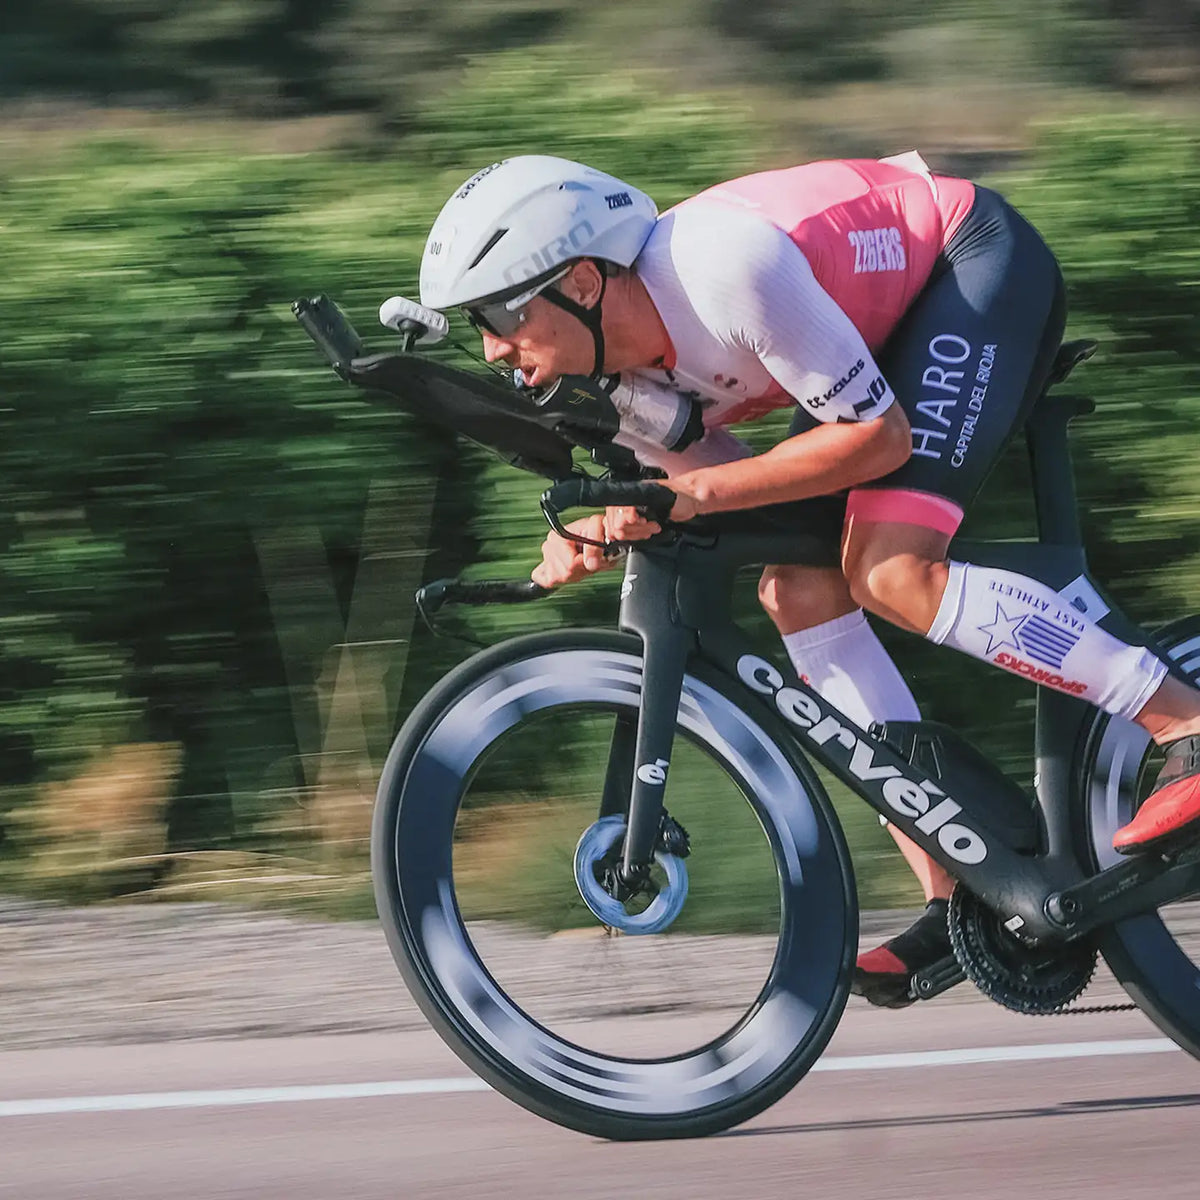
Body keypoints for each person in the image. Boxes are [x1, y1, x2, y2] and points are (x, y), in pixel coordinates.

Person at [418, 153, 1200, 1007]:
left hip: (967, 263)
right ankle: (959, 887)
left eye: (503, 313)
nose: (491, 346)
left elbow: (875, 440)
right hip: (874, 334)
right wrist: (613, 519)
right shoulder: (619, 385)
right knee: (799, 588)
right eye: (476, 323)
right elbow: (716, 490)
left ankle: (1184, 720)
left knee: (892, 571)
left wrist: (686, 497)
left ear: (581, 281)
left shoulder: (723, 272)